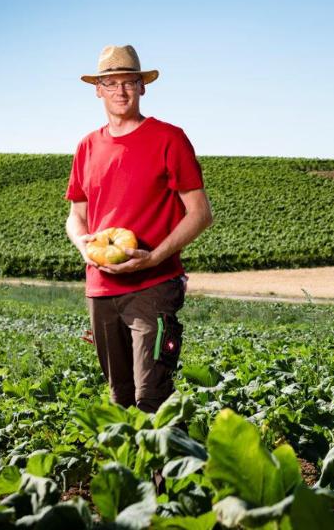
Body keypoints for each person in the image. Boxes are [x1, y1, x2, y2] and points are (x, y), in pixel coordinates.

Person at [65, 44, 213, 413]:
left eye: (129, 82)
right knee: (120, 399)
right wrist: (84, 246)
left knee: (151, 397)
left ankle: (172, 469)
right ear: (97, 89)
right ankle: (132, 471)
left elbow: (199, 213)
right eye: (110, 83)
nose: (120, 91)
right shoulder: (87, 146)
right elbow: (75, 215)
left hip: (153, 284)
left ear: (142, 86)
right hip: (101, 287)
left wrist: (154, 258)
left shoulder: (169, 138)